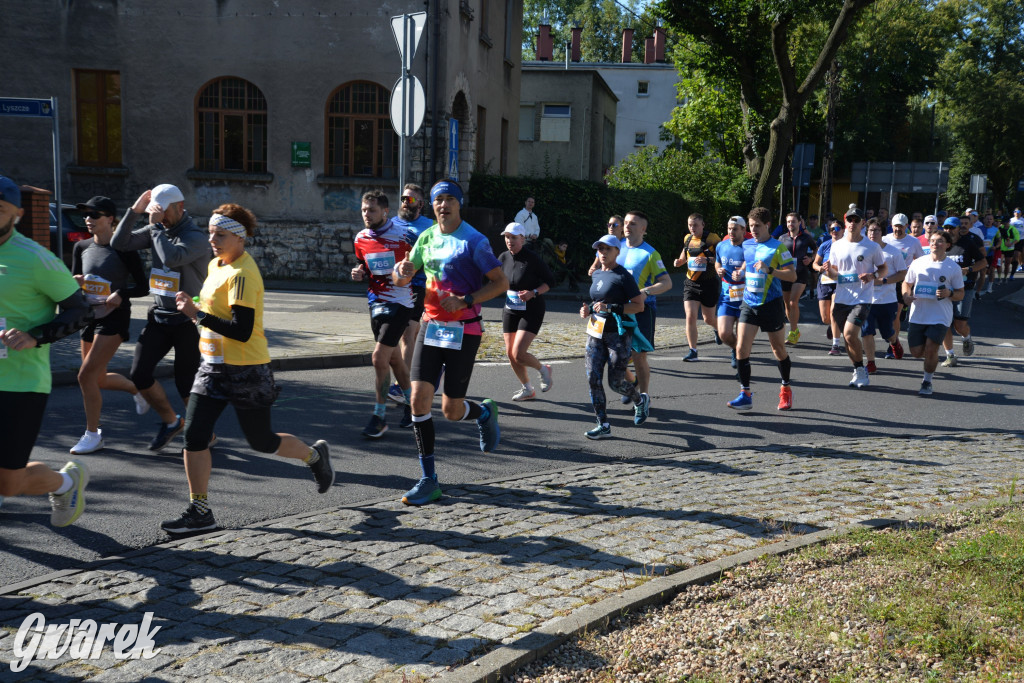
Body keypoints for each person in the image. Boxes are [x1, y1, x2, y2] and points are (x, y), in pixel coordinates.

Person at [163, 204, 333, 535]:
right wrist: (197, 307)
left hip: (246, 368)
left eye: (220, 235)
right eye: (210, 233)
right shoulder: (216, 264)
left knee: (262, 441)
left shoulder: (243, 273)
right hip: (212, 367)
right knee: (194, 436)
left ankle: (314, 457)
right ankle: (200, 511)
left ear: (239, 238)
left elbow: (241, 330)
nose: (212, 240)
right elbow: (215, 310)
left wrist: (196, 315)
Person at [393, 180, 507, 506]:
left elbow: (501, 282)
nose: (443, 205)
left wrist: (466, 299)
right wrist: (401, 271)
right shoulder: (427, 236)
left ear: (459, 204)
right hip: (430, 328)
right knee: (418, 400)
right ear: (432, 205)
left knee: (452, 411)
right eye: (438, 200)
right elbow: (403, 276)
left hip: (464, 331)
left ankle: (483, 413)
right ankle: (429, 479)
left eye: (449, 199)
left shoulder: (474, 241)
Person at [0, 175, 94, 527]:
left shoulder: (36, 258)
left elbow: (80, 310)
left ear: (18, 214)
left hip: (20, 384)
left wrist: (35, 336)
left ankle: (67, 482)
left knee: (8, 485)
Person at [111, 184, 211, 451]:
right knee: (139, 374)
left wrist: (155, 227)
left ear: (180, 207)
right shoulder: (158, 228)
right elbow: (119, 243)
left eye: (165, 212)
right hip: (159, 317)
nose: (160, 217)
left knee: (185, 383)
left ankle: (203, 433)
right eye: (157, 212)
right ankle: (172, 422)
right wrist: (134, 211)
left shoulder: (195, 237)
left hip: (188, 319)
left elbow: (172, 258)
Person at [68, 196, 149, 455]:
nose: (88, 219)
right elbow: (73, 283)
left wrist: (122, 293)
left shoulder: (124, 249)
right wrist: (75, 283)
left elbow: (143, 287)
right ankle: (136, 389)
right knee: (98, 379)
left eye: (94, 215)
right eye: (86, 215)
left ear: (110, 219)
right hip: (89, 317)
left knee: (85, 376)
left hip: (115, 317)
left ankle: (93, 435)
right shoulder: (81, 246)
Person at [351, 190, 415, 438]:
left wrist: (410, 272)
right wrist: (359, 272)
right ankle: (413, 406)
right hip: (376, 303)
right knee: (394, 359)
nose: (367, 214)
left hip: (401, 303)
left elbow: (422, 266)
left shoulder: (405, 236)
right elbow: (365, 266)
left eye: (372, 210)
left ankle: (379, 417)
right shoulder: (361, 238)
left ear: (385, 211)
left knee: (379, 357)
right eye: (364, 210)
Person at [727, 206, 797, 411]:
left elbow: (792, 275)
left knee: (778, 349)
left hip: (771, 303)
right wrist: (741, 273)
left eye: (757, 226)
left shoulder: (778, 247)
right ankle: (745, 394)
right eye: (751, 226)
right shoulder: (747, 244)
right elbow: (748, 263)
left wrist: (770, 270)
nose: (753, 230)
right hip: (749, 303)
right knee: (741, 348)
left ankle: (786, 389)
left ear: (767, 225)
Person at [579, 234, 648, 438]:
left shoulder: (623, 276)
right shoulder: (597, 274)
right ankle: (603, 424)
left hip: (618, 335)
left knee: (615, 383)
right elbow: (598, 301)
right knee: (593, 379)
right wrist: (588, 309)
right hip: (595, 333)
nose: (603, 253)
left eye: (607, 249)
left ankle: (639, 400)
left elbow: (638, 306)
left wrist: (610, 308)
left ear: (617, 251)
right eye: (600, 249)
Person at [823, 209, 888, 388]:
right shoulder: (837, 245)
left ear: (862, 223)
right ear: (845, 222)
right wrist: (828, 271)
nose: (852, 223)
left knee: (850, 334)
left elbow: (883, 269)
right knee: (848, 339)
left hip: (862, 298)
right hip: (842, 297)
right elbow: (835, 273)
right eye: (849, 219)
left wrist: (872, 275)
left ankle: (861, 370)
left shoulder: (872, 246)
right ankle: (858, 369)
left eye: (856, 220)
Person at [387, 184, 435, 408]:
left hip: (417, 285)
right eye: (404, 199)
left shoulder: (430, 226)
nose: (406, 203)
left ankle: (401, 386)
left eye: (411, 200)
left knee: (407, 335)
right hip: (393, 285)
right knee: (400, 336)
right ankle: (418, 376)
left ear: (421, 204)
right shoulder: (391, 224)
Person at [617, 211, 672, 407]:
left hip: (642, 310)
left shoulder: (650, 254)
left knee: (638, 355)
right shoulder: (616, 248)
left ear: (643, 229)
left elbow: (667, 283)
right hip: (618, 310)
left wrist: (646, 292)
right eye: (625, 222)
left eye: (632, 223)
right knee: (612, 353)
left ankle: (644, 397)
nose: (627, 226)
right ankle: (633, 382)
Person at [498, 222, 556, 401]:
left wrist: (533, 292)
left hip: (532, 308)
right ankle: (527, 389)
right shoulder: (503, 257)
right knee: (510, 354)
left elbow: (550, 281)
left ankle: (543, 370)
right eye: (507, 237)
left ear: (522, 239)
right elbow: (495, 279)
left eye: (514, 238)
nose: (510, 241)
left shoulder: (532, 258)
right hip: (510, 308)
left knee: (519, 353)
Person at [903, 230, 965, 396]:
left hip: (940, 316)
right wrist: (906, 295)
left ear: (947, 245)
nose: (934, 244)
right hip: (918, 314)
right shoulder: (918, 263)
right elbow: (907, 283)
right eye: (932, 241)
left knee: (931, 349)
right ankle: (932, 356)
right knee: (916, 352)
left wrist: (949, 293)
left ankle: (927, 381)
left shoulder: (953, 267)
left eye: (939, 241)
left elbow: (961, 293)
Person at [862, 220, 907, 374]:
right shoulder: (862, 251)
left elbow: (902, 273)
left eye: (876, 230)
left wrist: (884, 281)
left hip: (887, 300)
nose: (873, 233)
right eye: (870, 230)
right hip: (866, 299)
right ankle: (870, 362)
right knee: (867, 331)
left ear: (882, 233)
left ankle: (894, 342)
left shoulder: (893, 252)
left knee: (887, 332)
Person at [940, 216, 986, 367]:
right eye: (946, 227)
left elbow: (983, 262)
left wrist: (969, 269)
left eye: (952, 228)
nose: (948, 230)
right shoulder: (941, 244)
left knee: (959, 325)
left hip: (965, 288)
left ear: (959, 229)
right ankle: (950, 355)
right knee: (945, 323)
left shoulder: (968, 243)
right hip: (945, 289)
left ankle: (966, 337)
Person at [673, 213, 720, 362]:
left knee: (708, 319)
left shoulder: (713, 238)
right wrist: (679, 262)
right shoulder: (687, 238)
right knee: (690, 316)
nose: (692, 228)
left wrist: (707, 260)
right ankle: (693, 350)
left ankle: (718, 329)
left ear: (703, 225)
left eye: (695, 225)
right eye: (690, 225)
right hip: (691, 283)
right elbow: (684, 255)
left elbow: (721, 259)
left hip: (709, 282)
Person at [882, 213, 924, 356]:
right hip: (885, 281)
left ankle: (892, 346)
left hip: (902, 281)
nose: (898, 229)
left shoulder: (913, 242)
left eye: (901, 226)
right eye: (896, 226)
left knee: (896, 314)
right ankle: (891, 337)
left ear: (906, 226)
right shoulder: (885, 239)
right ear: (891, 226)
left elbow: (921, 260)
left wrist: (913, 270)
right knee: (886, 315)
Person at [778, 212, 816, 346]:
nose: (791, 224)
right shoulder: (782, 238)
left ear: (800, 223)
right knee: (787, 304)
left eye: (793, 221)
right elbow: (776, 253)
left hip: (800, 273)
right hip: (786, 273)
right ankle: (795, 330)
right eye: (788, 222)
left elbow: (816, 249)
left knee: (793, 302)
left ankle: (793, 331)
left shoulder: (806, 237)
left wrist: (810, 259)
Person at [714, 216, 748, 369]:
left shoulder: (749, 247)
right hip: (727, 296)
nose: (731, 232)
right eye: (729, 229)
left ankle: (742, 366)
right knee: (723, 333)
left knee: (742, 336)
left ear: (743, 230)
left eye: (735, 229)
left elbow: (752, 265)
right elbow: (718, 262)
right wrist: (718, 270)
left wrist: (742, 272)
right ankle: (736, 349)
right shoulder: (721, 246)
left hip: (746, 298)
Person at [813, 220, 845, 355]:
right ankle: (832, 326)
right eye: (832, 229)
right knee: (825, 318)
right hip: (825, 281)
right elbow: (815, 263)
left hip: (840, 282)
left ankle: (835, 345)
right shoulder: (825, 245)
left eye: (837, 228)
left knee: (834, 311)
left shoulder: (847, 245)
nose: (834, 231)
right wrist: (820, 268)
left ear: (843, 230)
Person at [995, 212, 1021, 283]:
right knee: (999, 264)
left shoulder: (1013, 229)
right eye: (1003, 222)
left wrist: (1011, 244)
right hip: (1001, 249)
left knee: (1007, 264)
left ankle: (1005, 277)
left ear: (1009, 221)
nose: (1004, 223)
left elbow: (1017, 238)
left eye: (1006, 222)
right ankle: (999, 277)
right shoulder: (1000, 228)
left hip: (1010, 249)